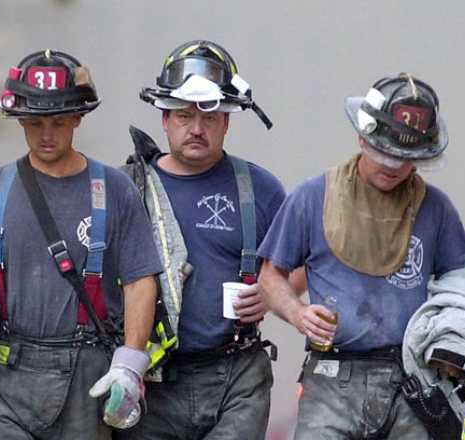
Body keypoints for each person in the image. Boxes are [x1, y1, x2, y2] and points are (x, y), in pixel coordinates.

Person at [0, 49, 162, 439]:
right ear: (20, 119)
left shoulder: (115, 190)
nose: (46, 134)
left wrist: (130, 364)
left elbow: (139, 282)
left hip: (86, 378)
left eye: (59, 122)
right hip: (2, 374)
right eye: (35, 123)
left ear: (78, 118)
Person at [259, 73, 465, 439]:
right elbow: (270, 276)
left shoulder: (436, 209)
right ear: (362, 136)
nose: (394, 166)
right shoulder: (313, 197)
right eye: (385, 153)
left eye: (406, 158)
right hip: (331, 382)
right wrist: (298, 314)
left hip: (413, 384)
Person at [117, 40, 285, 439]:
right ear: (164, 118)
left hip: (237, 378)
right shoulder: (125, 190)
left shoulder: (260, 189)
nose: (196, 128)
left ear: (227, 122)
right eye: (184, 115)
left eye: (209, 117)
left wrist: (271, 294)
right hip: (153, 381)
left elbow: (297, 267)